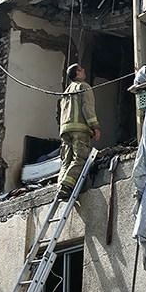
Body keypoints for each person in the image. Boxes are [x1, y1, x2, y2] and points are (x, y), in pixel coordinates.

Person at [57, 63, 101, 200]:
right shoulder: (83, 86)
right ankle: (66, 186)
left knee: (66, 161)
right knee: (80, 158)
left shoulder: (65, 93)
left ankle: (61, 187)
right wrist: (95, 127)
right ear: (77, 73)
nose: (84, 70)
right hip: (79, 130)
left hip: (65, 131)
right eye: (81, 69)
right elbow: (87, 108)